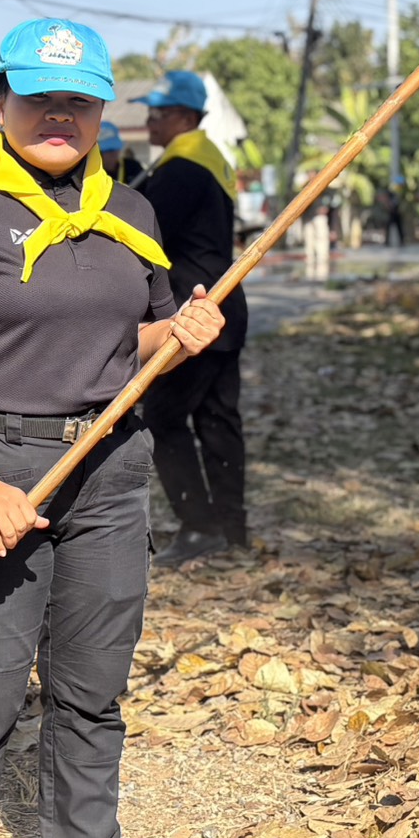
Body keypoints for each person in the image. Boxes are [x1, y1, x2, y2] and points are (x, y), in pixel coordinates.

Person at [0, 18, 225, 838]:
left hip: (108, 474)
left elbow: (132, 341)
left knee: (89, 698)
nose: (59, 117)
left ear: (102, 112)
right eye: (40, 98)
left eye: (78, 101)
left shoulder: (130, 212)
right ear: (0, 101)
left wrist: (178, 334)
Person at [131, 70, 249, 564]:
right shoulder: (209, 159)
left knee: (162, 418)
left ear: (182, 115)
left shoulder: (180, 170)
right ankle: (232, 527)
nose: (149, 122)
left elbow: (142, 234)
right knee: (218, 420)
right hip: (224, 305)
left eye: (155, 114)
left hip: (192, 312)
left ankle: (200, 526)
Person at [98, 119, 142, 187]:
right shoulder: (91, 173)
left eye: (114, 149)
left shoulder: (133, 168)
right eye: (107, 151)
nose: (112, 154)